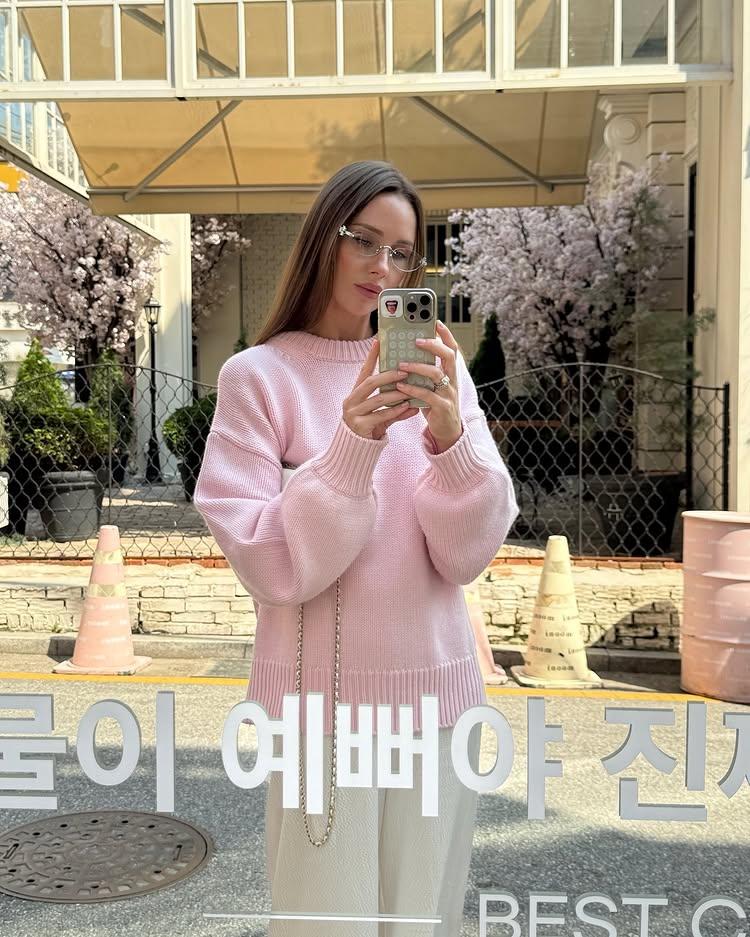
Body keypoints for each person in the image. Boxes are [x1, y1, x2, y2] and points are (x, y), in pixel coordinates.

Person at [194, 160, 519, 936]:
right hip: (322, 716)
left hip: (440, 706)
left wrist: (450, 437)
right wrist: (351, 446)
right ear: (323, 239)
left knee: (423, 922)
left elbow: (468, 554)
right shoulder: (258, 378)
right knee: (324, 924)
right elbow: (271, 564)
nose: (383, 266)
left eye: (402, 252)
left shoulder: (441, 378)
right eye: (364, 240)